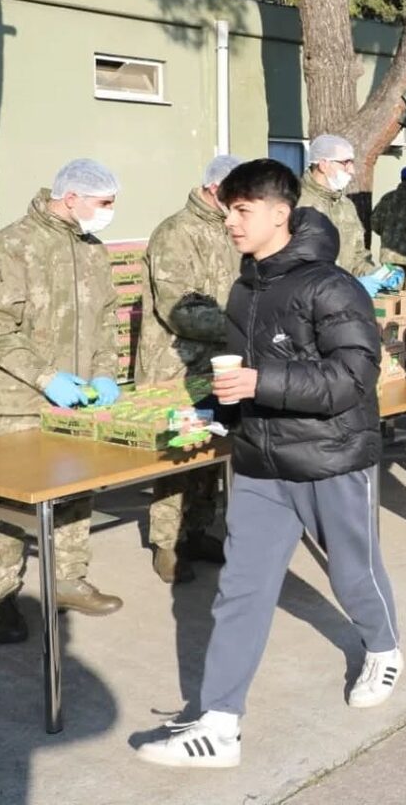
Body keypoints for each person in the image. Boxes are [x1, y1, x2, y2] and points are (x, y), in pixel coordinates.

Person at [137, 159, 402, 769]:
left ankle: (384, 649)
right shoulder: (245, 286)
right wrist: (211, 414)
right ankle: (220, 724)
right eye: (228, 209)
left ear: (280, 214)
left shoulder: (331, 287)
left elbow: (353, 378)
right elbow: (242, 379)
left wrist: (264, 379)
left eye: (241, 210)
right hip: (259, 461)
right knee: (241, 590)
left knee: (352, 573)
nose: (230, 221)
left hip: (330, 457)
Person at [0, 158, 124, 644]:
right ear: (71, 197)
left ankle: (68, 580)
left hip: (74, 398)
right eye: (104, 203)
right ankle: (0, 595)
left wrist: (104, 371)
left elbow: (106, 319)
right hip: (15, 396)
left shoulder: (91, 251)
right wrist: (47, 377)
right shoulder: (9, 247)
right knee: (8, 499)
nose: (110, 212)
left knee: (77, 488)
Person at [136, 153, 242, 584]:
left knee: (211, 451)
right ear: (215, 190)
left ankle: (198, 529)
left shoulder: (229, 230)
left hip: (220, 362)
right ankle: (167, 543)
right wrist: (241, 325)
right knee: (177, 455)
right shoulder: (175, 234)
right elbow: (180, 310)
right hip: (176, 366)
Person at [297, 133, 380, 289]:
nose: (352, 170)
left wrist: (377, 274)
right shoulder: (296, 203)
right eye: (345, 163)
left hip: (344, 300)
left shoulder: (346, 206)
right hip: (308, 303)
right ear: (323, 164)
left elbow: (358, 258)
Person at [370, 165, 406, 284]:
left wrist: (387, 235)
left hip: (388, 255)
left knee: (389, 292)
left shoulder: (387, 198)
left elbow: (374, 222)